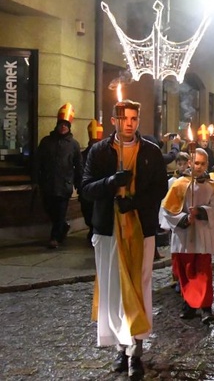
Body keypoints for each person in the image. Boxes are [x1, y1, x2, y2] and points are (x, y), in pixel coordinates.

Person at [81, 99, 168, 380]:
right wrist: (110, 183)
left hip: (139, 229)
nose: (129, 123)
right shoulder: (99, 151)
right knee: (114, 290)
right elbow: (85, 188)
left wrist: (135, 202)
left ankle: (136, 351)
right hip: (108, 229)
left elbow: (159, 189)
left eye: (134, 118)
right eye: (124, 118)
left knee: (139, 287)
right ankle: (121, 347)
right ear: (114, 120)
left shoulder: (151, 152)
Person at [161, 148, 214, 324]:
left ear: (207, 164)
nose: (199, 167)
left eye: (203, 163)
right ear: (190, 163)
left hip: (203, 233)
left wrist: (202, 211)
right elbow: (167, 209)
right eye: (196, 163)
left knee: (203, 272)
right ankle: (189, 305)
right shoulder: (179, 184)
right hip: (185, 235)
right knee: (187, 272)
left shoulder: (211, 185)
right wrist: (183, 218)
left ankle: (206, 308)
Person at [35, 103, 83, 249]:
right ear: (57, 125)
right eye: (61, 124)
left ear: (69, 127)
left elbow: (78, 165)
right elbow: (38, 162)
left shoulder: (73, 144)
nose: (63, 127)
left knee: (61, 211)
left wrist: (79, 183)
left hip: (64, 185)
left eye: (66, 125)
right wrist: (36, 179)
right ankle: (63, 227)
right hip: (48, 184)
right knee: (49, 209)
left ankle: (54, 238)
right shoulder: (46, 142)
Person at [80, 119, 103, 244]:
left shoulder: (105, 154)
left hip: (99, 190)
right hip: (88, 190)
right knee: (88, 212)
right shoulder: (83, 155)